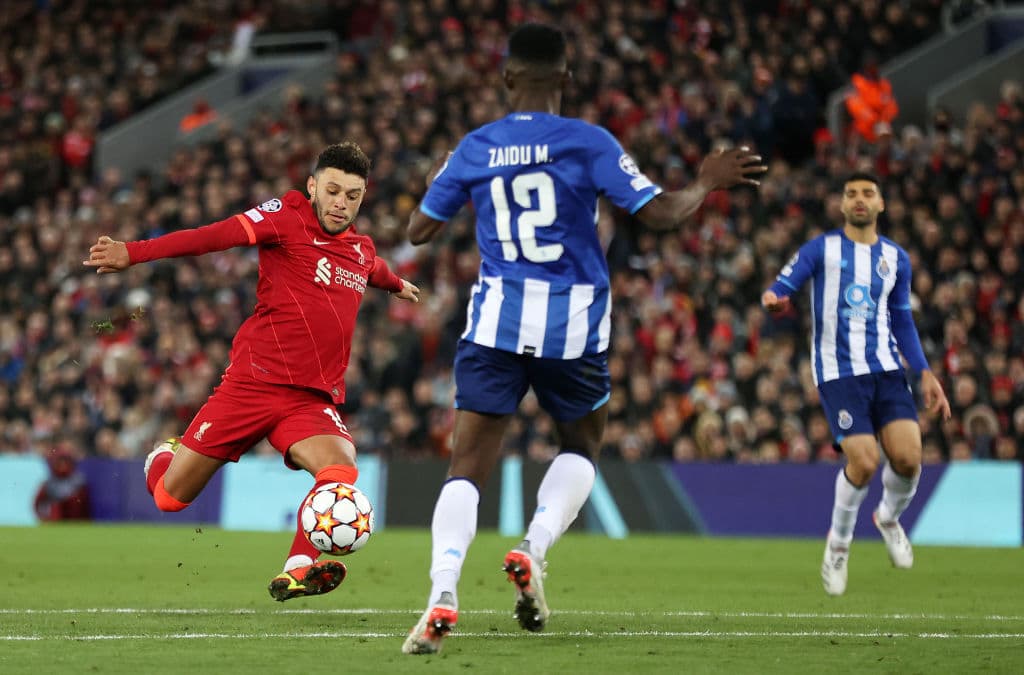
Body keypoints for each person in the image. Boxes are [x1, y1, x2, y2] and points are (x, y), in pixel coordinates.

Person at [401, 23, 765, 655]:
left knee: (466, 467)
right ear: (567, 79)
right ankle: (534, 548)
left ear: (508, 78)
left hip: (495, 322)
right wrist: (706, 181)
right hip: (573, 323)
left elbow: (417, 232)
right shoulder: (589, 141)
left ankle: (442, 593)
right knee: (582, 443)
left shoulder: (476, 146)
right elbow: (659, 214)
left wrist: (449, 172)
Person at [83, 141, 420, 601]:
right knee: (169, 497)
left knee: (340, 470)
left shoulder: (360, 250)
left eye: (354, 195)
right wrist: (134, 252)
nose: (341, 203)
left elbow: (371, 267)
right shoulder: (287, 216)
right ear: (313, 186)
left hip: (309, 399)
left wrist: (396, 283)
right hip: (252, 385)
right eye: (334, 190)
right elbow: (214, 236)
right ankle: (165, 453)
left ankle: (297, 569)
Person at [761, 171, 951, 597]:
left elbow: (902, 319)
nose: (860, 199)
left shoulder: (896, 258)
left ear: (881, 204)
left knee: (908, 458)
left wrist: (923, 370)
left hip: (886, 370)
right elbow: (783, 283)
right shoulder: (822, 249)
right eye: (851, 194)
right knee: (864, 462)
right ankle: (839, 546)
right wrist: (774, 299)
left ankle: (887, 518)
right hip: (839, 372)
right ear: (842, 205)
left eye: (868, 193)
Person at [34, 447, 91, 521]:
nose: (63, 465)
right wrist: (43, 517)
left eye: (65, 461)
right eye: (60, 461)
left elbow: (84, 505)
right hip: (54, 520)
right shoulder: (49, 483)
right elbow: (38, 503)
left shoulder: (78, 481)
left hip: (74, 520)